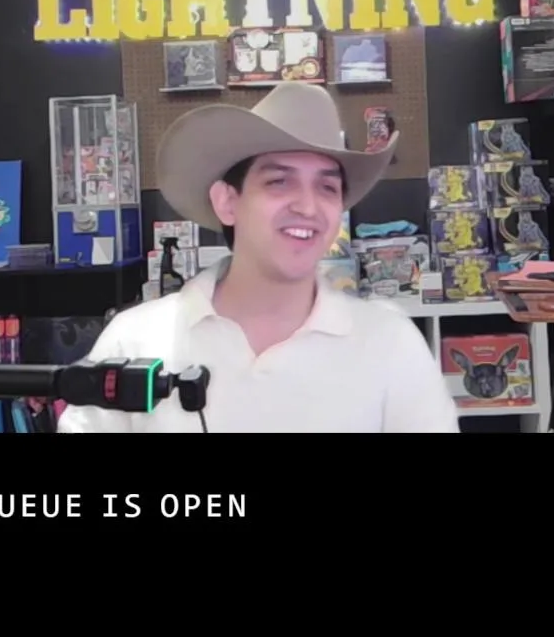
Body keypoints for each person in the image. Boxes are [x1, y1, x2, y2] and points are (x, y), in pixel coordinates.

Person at [58, 82, 459, 433]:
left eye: (327, 188)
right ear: (227, 202)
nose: (307, 207)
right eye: (279, 181)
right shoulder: (136, 340)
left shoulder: (390, 344)